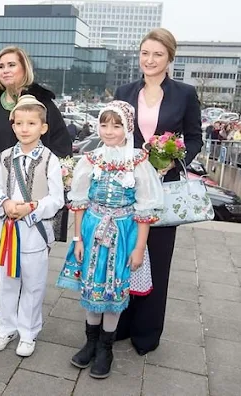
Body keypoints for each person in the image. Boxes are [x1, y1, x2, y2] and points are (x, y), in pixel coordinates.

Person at [57, 101, 163, 378]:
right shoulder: (91, 159)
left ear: (127, 128)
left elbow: (145, 210)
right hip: (93, 230)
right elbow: (79, 202)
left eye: (116, 125)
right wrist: (78, 239)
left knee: (114, 290)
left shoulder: (138, 162)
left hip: (122, 233)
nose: (109, 131)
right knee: (92, 288)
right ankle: (90, 342)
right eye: (104, 124)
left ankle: (106, 347)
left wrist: (139, 248)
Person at [113, 28, 203, 355]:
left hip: (164, 188)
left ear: (169, 58)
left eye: (158, 54)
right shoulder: (124, 90)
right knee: (125, 255)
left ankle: (147, 332)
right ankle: (120, 323)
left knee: (158, 258)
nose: (149, 60)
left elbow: (194, 138)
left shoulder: (185, 94)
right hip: (127, 187)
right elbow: (115, 134)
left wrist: (175, 158)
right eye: (145, 53)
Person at [0, 46, 72, 318]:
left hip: (32, 191)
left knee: (31, 247)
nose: (6, 71)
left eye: (12, 65)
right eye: (1, 66)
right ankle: (6, 295)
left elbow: (62, 144)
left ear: (24, 68)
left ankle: (28, 301)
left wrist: (49, 180)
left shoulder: (42, 104)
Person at [0, 95, 64, 357]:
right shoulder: (4, 157)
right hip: (8, 231)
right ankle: (6, 327)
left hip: (35, 233)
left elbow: (56, 199)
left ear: (43, 127)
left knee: (33, 284)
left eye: (31, 123)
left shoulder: (50, 160)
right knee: (8, 282)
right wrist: (5, 204)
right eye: (19, 123)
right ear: (13, 126)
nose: (25, 128)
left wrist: (31, 208)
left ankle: (28, 331)